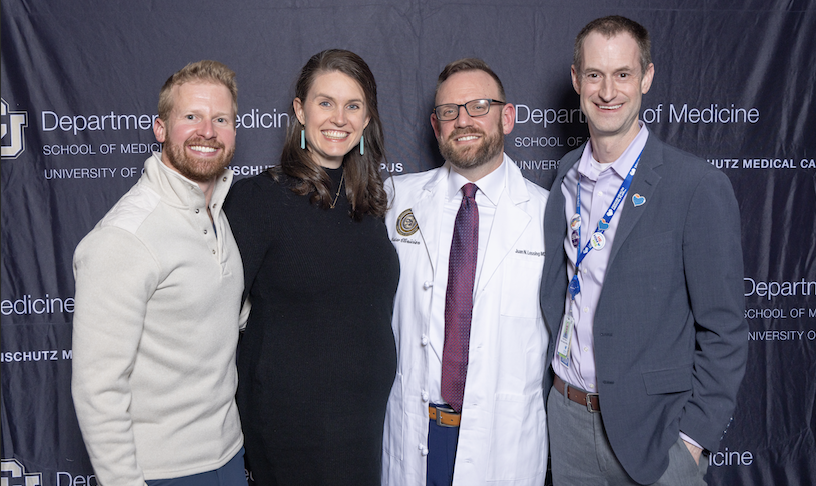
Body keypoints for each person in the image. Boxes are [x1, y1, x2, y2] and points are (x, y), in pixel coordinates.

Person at [539, 15, 748, 485]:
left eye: (623, 74)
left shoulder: (696, 186)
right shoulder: (566, 176)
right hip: (567, 422)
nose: (607, 91)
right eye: (594, 74)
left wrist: (692, 442)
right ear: (576, 80)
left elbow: (725, 331)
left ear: (646, 78)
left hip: (655, 437)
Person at [223, 49, 398, 485]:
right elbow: (213, 320)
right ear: (300, 111)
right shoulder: (257, 200)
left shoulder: (371, 203)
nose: (339, 118)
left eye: (353, 105)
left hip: (365, 426)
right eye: (325, 103)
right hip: (290, 432)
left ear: (367, 119)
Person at [72, 60, 247, 486]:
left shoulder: (217, 211)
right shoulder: (125, 237)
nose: (207, 131)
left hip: (229, 455)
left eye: (220, 119)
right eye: (191, 117)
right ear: (160, 128)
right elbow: (98, 388)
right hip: (163, 472)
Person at [382, 58, 550, 486]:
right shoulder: (395, 200)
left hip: (503, 442)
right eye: (449, 111)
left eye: (478, 106)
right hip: (416, 430)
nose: (463, 121)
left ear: (506, 117)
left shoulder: (549, 215)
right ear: (436, 126)